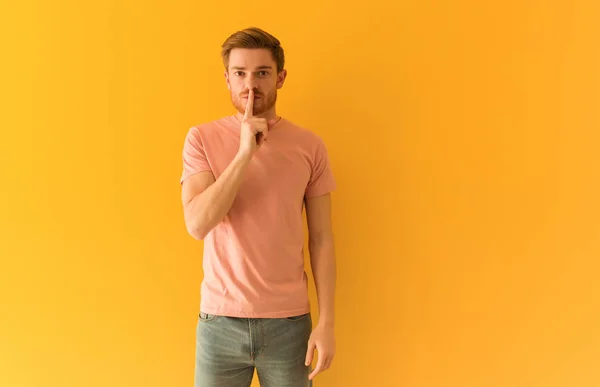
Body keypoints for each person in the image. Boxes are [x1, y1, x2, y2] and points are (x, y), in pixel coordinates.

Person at [179, 27, 337, 387]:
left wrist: (327, 322)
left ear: (280, 77)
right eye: (240, 74)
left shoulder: (309, 147)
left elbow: (323, 240)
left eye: (262, 73)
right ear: (227, 79)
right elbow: (198, 224)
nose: (251, 84)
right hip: (219, 325)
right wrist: (245, 152)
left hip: (289, 325)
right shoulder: (201, 139)